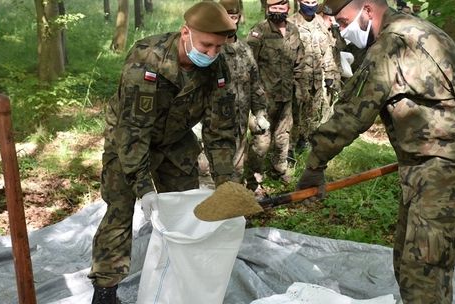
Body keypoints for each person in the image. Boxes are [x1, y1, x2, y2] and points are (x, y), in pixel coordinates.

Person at [296, 1, 455, 303]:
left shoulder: (392, 45)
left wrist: (314, 167)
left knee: (423, 274)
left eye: (344, 21)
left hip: (451, 165)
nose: (342, 31)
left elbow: (352, 115)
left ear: (368, 10)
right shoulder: (417, 29)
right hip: (434, 161)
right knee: (409, 259)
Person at [88, 2, 238, 303]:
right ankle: (105, 290)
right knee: (120, 210)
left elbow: (220, 132)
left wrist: (226, 186)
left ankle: (179, 277)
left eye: (218, 47)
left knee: (185, 212)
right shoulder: (147, 59)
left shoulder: (218, 69)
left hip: (176, 142)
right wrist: (144, 188)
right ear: (186, 33)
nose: (211, 54)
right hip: (128, 140)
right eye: (206, 45)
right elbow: (133, 132)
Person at [247, 0, 306, 184]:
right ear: (267, 9)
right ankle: (254, 176)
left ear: (288, 9)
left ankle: (279, 169)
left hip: (286, 95)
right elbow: (249, 64)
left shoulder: (293, 31)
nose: (278, 11)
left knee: (283, 135)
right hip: (264, 97)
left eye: (281, 7)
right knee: (262, 139)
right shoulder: (259, 31)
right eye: (274, 7)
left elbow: (299, 62)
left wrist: (300, 89)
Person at [217, 0, 272, 194]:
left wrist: (259, 113)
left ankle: (235, 209)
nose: (232, 21)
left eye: (235, 17)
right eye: (227, 17)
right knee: (211, 170)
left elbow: (255, 85)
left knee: (237, 168)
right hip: (214, 123)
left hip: (240, 121)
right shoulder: (212, 49)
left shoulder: (245, 50)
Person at [289, 0, 341, 156]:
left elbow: (328, 51)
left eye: (313, 1)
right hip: (297, 79)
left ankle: (306, 140)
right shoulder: (291, 24)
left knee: (313, 112)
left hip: (317, 79)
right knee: (294, 114)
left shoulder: (321, 23)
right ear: (299, 2)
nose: (310, 5)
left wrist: (330, 73)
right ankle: (289, 148)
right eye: (306, 1)